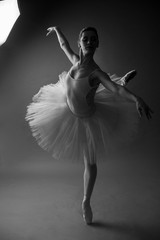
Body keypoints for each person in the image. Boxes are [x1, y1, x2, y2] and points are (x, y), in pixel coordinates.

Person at [26, 26, 153, 225]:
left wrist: (136, 98)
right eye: (85, 39)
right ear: (80, 42)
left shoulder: (96, 73)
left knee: (90, 163)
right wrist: (57, 30)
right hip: (66, 108)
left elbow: (116, 92)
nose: (89, 42)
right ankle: (122, 80)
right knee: (108, 89)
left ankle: (86, 201)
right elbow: (63, 45)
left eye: (93, 39)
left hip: (88, 118)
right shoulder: (75, 61)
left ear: (97, 44)